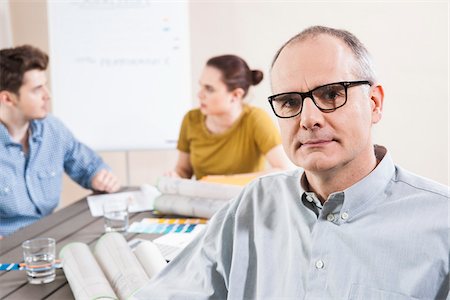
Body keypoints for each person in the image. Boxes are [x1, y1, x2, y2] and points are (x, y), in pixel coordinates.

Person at [132, 26, 449, 299]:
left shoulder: (441, 223)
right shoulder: (252, 207)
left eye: (331, 95)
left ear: (374, 104)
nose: (308, 119)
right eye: (290, 102)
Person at [0, 45, 120, 237]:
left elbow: (89, 166)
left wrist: (99, 177)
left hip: (49, 239)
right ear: (7, 98)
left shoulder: (52, 129)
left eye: (45, 85)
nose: (47, 95)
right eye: (37, 89)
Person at [166, 54, 291, 180]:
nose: (200, 94)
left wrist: (219, 181)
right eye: (201, 86)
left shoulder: (256, 119)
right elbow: (183, 171)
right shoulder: (191, 119)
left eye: (209, 89)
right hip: (202, 199)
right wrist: (175, 176)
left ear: (235, 95)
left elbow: (283, 169)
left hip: (246, 198)